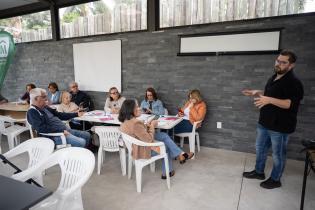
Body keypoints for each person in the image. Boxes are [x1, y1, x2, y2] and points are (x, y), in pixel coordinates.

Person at [242, 49, 304, 189]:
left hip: (280, 126)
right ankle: (259, 172)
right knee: (260, 148)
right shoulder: (274, 76)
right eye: (278, 60)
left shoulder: (294, 82)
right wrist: (257, 92)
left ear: (291, 65)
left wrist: (268, 99)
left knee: (278, 155)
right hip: (265, 122)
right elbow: (272, 94)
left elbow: (289, 103)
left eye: (283, 62)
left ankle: (276, 180)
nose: (279, 64)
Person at [119, 99, 194, 179]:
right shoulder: (135, 123)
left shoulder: (126, 121)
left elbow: (138, 132)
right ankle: (167, 172)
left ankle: (181, 154)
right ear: (131, 110)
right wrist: (152, 126)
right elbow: (149, 139)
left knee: (163, 135)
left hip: (136, 146)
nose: (139, 108)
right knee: (166, 146)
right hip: (142, 150)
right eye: (137, 107)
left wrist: (146, 125)